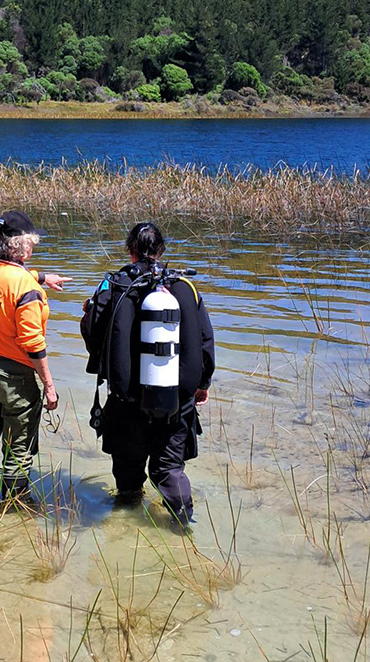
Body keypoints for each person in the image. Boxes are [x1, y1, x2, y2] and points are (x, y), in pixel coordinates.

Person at [80, 222, 215, 526]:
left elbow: (93, 330)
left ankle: (124, 528)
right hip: (175, 400)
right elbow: (205, 341)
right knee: (169, 469)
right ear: (161, 250)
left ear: (130, 250)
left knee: (128, 474)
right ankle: (183, 526)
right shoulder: (184, 287)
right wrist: (202, 384)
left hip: (125, 399)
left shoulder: (113, 285)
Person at [0, 211, 69, 500]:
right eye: (31, 243)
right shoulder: (26, 288)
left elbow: (7, 280)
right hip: (12, 378)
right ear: (24, 247)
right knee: (18, 446)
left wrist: (43, 277)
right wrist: (49, 385)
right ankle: (15, 508)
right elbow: (32, 341)